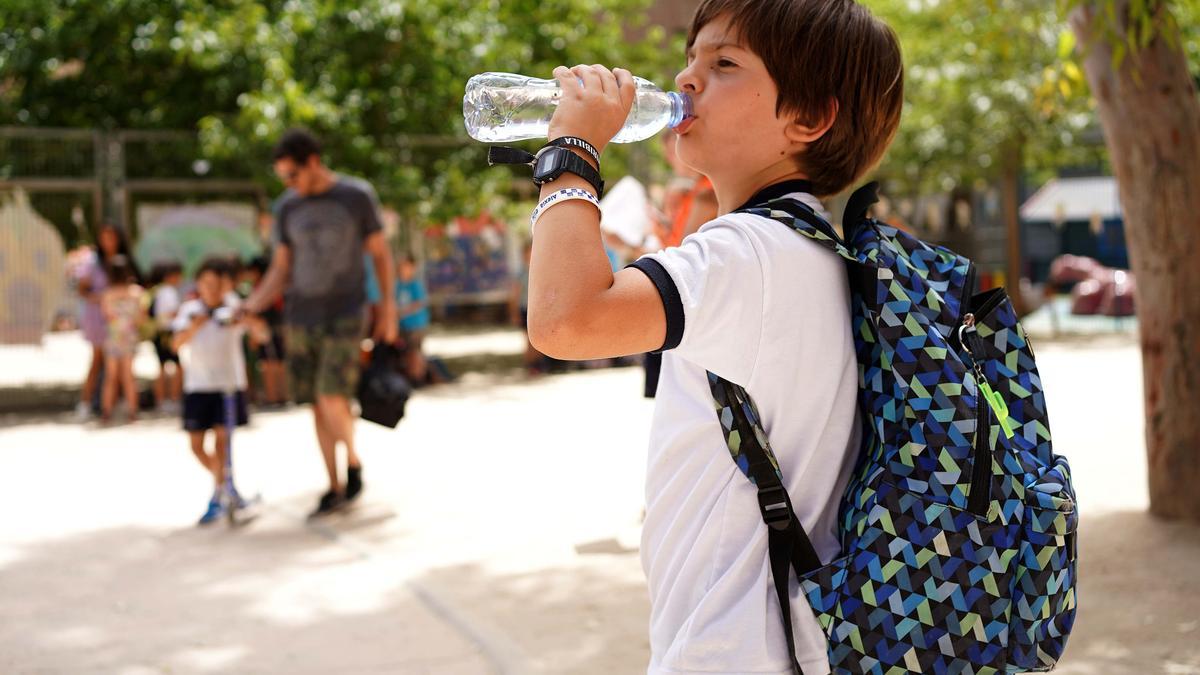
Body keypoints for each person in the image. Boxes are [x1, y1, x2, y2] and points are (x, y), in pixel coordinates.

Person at [522, 1, 904, 672]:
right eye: (691, 58)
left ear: (808, 118)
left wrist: (571, 151)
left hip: (730, 649)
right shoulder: (813, 243)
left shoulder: (748, 251)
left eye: (724, 63)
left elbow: (565, 318)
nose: (687, 78)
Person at [243, 129, 397, 517]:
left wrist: (388, 309)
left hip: (347, 311)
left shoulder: (356, 196)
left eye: (292, 175)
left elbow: (380, 255)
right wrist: (253, 304)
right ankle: (334, 485)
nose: (289, 184)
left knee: (332, 395)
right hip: (300, 316)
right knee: (316, 403)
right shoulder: (287, 208)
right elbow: (281, 268)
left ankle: (354, 460)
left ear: (313, 161)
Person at [172, 259, 266, 525]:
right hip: (198, 386)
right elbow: (175, 343)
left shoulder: (235, 308)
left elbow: (261, 335)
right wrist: (195, 326)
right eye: (207, 284)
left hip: (228, 387)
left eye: (217, 284)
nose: (212, 290)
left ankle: (219, 495)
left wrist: (248, 320)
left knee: (222, 442)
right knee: (197, 446)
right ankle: (226, 487)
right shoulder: (190, 311)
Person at [75, 223, 138, 419]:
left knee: (120, 371)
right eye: (104, 237)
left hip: (117, 325)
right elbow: (82, 289)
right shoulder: (92, 261)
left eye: (112, 237)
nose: (108, 241)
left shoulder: (125, 261)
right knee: (97, 361)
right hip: (98, 318)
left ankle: (115, 404)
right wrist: (100, 298)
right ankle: (86, 403)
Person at [99, 255, 146, 423]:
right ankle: (133, 412)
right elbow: (141, 318)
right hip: (130, 337)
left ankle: (106, 412)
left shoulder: (107, 294)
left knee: (110, 377)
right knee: (129, 376)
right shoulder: (137, 292)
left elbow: (107, 316)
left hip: (113, 337)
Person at [150, 261, 185, 412]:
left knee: (162, 367)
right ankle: (173, 399)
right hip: (167, 333)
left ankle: (162, 400)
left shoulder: (158, 291)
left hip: (159, 332)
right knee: (176, 367)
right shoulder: (168, 292)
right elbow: (171, 313)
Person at [394, 254, 431, 384]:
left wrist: (401, 312)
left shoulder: (415, 284)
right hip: (401, 326)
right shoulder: (396, 285)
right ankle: (410, 376)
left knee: (415, 353)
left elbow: (419, 303)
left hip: (416, 326)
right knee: (405, 354)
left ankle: (419, 377)